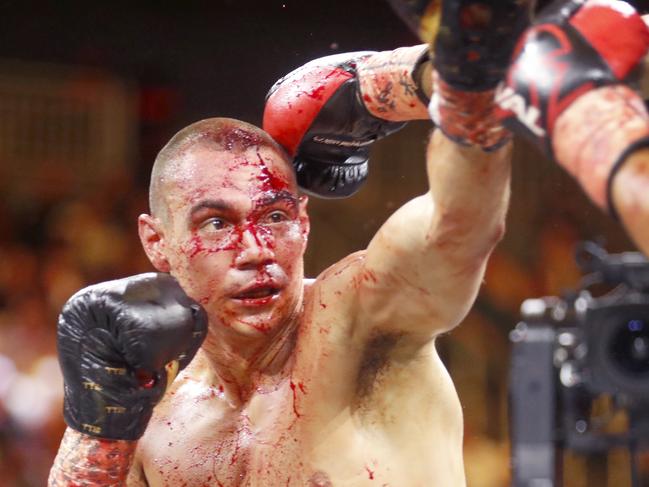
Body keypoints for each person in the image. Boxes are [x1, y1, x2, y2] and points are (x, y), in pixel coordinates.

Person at [47, 1, 530, 485]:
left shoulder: (363, 324)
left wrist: (428, 78)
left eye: (274, 216)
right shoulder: (155, 420)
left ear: (304, 222)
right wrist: (98, 430)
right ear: (157, 242)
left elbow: (460, 224)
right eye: (216, 224)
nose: (256, 250)